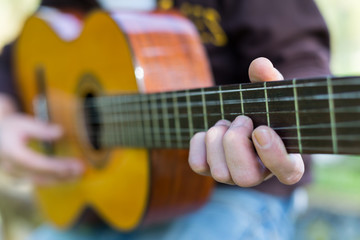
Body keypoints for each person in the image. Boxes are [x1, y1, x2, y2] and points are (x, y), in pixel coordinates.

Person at [0, 0, 331, 239]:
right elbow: (14, 65)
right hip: (93, 211)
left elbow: (300, 62)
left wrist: (278, 125)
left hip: (229, 197)